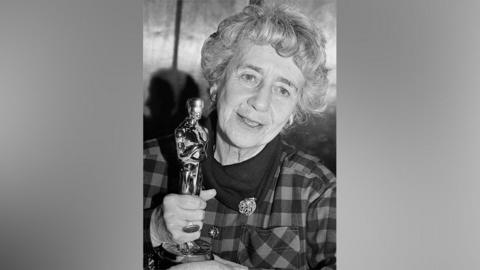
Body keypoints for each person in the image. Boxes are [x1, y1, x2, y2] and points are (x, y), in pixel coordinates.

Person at [144, 3, 336, 270]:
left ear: (294, 111)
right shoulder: (145, 165)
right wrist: (152, 230)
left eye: (283, 90)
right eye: (249, 76)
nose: (260, 102)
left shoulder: (316, 190)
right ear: (217, 82)